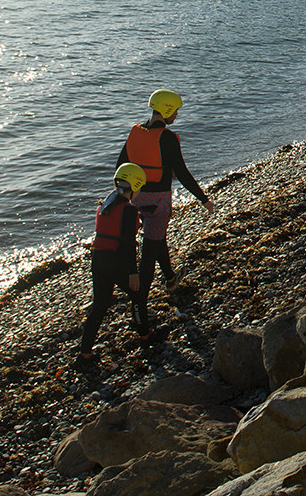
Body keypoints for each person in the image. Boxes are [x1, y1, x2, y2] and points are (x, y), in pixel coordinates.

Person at [117, 89, 215, 305]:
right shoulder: (167, 138)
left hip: (136, 200)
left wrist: (120, 198)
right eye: (176, 111)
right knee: (149, 254)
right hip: (159, 202)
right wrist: (203, 199)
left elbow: (120, 168)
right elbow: (182, 172)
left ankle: (170, 278)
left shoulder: (134, 132)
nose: (177, 115)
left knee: (157, 237)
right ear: (167, 109)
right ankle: (139, 304)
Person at [77, 163, 154, 368]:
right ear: (136, 186)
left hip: (98, 260)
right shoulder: (129, 211)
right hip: (116, 261)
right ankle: (145, 335)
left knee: (100, 306)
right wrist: (133, 272)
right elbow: (129, 243)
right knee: (137, 295)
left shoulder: (104, 205)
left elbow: (113, 226)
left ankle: (84, 354)